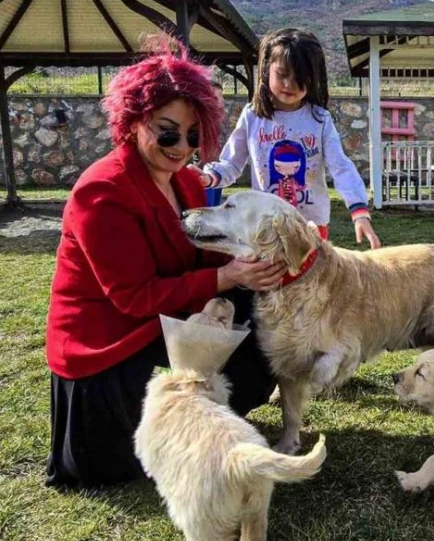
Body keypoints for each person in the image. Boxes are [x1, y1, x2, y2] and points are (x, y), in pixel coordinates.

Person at [45, 40, 285, 489]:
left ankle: (212, 423)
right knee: (125, 466)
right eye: (168, 131)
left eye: (193, 136)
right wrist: (225, 276)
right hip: (108, 338)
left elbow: (206, 252)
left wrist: (252, 264)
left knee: (265, 327)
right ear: (133, 121)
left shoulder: (189, 182)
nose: (182, 147)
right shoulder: (101, 191)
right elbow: (131, 297)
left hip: (167, 317)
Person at [199, 28, 380, 247]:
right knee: (268, 280)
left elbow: (341, 167)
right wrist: (210, 177)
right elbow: (230, 163)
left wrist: (359, 211)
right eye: (282, 74)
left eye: (301, 78)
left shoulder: (320, 120)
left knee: (308, 280)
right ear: (266, 70)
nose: (289, 84)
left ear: (315, 78)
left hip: (311, 226)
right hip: (265, 226)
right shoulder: (252, 116)